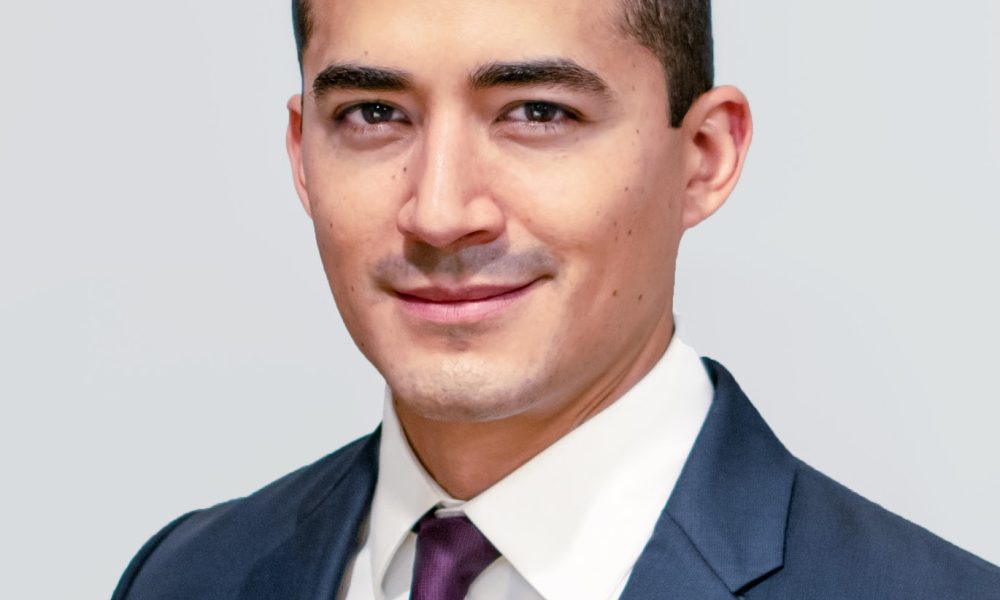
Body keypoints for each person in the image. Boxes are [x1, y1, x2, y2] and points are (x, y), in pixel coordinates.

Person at [112, 0, 1000, 598]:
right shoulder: (185, 577)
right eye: (374, 114)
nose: (440, 212)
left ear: (704, 157)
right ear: (303, 152)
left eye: (537, 112)